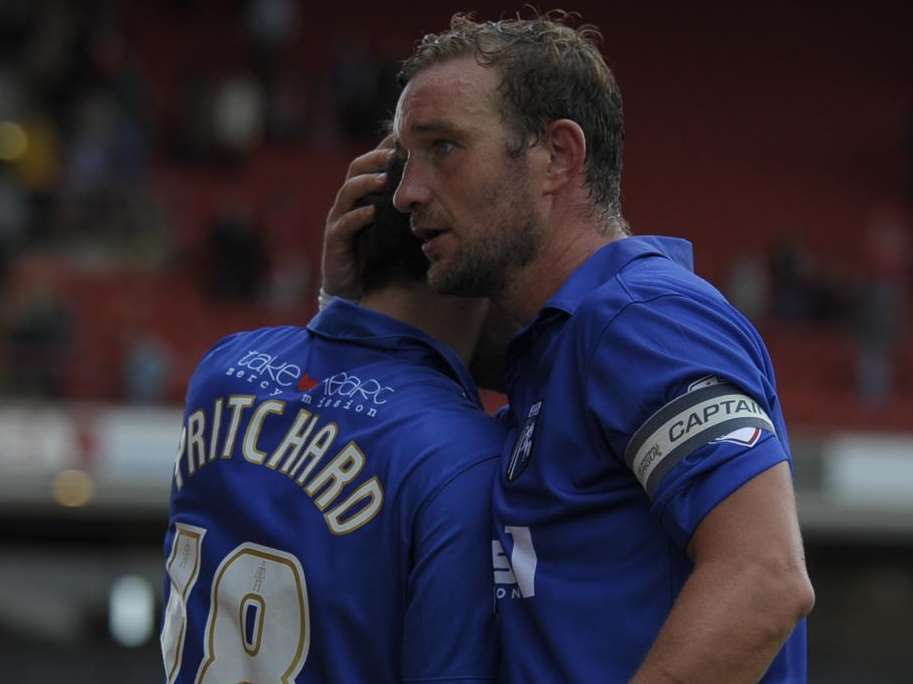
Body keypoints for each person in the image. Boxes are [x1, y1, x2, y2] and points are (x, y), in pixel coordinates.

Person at [323, 11, 814, 683]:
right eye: (407, 161)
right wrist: (348, 307)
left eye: (442, 148)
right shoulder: (552, 344)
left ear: (558, 155)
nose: (406, 194)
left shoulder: (643, 321)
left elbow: (764, 578)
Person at [161, 152, 504, 683]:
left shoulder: (222, 368)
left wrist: (334, 303)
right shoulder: (462, 453)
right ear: (474, 267)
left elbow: (321, 391)